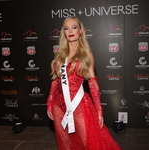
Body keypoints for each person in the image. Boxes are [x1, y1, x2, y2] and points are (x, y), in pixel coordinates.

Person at [46, 16, 122, 150]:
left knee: (88, 142)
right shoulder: (60, 55)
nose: (70, 31)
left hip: (78, 104)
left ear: (80, 31)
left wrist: (99, 110)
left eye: (74, 27)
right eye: (66, 28)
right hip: (58, 105)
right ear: (63, 32)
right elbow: (55, 81)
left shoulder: (86, 54)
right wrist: (50, 102)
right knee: (64, 142)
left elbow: (92, 83)